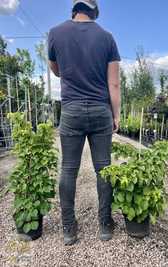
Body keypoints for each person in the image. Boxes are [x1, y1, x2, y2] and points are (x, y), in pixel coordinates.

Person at [48, 0, 121, 246]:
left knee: (68, 169)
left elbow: (56, 70)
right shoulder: (107, 37)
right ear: (94, 11)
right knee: (104, 168)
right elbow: (114, 84)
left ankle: (69, 228)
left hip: (71, 110)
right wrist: (116, 115)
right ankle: (104, 225)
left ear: (74, 9)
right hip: (101, 110)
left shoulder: (55, 33)